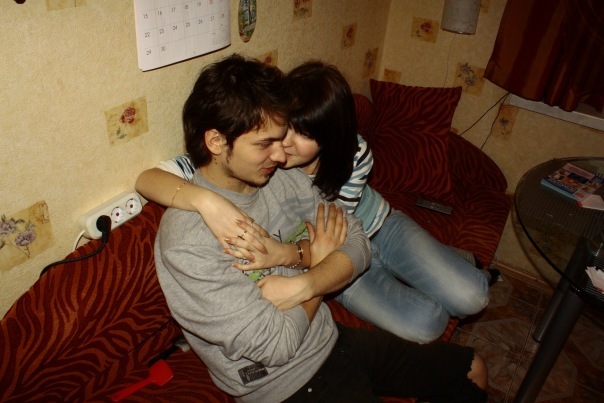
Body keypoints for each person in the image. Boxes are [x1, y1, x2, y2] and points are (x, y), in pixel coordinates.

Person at [154, 53, 488, 402]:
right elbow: (278, 345)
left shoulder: (277, 178)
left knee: (474, 368)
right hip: (285, 383)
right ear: (216, 142)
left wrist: (307, 280)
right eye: (265, 144)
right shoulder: (189, 241)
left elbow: (357, 240)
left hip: (330, 338)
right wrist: (319, 263)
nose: (281, 156)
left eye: (281, 138)